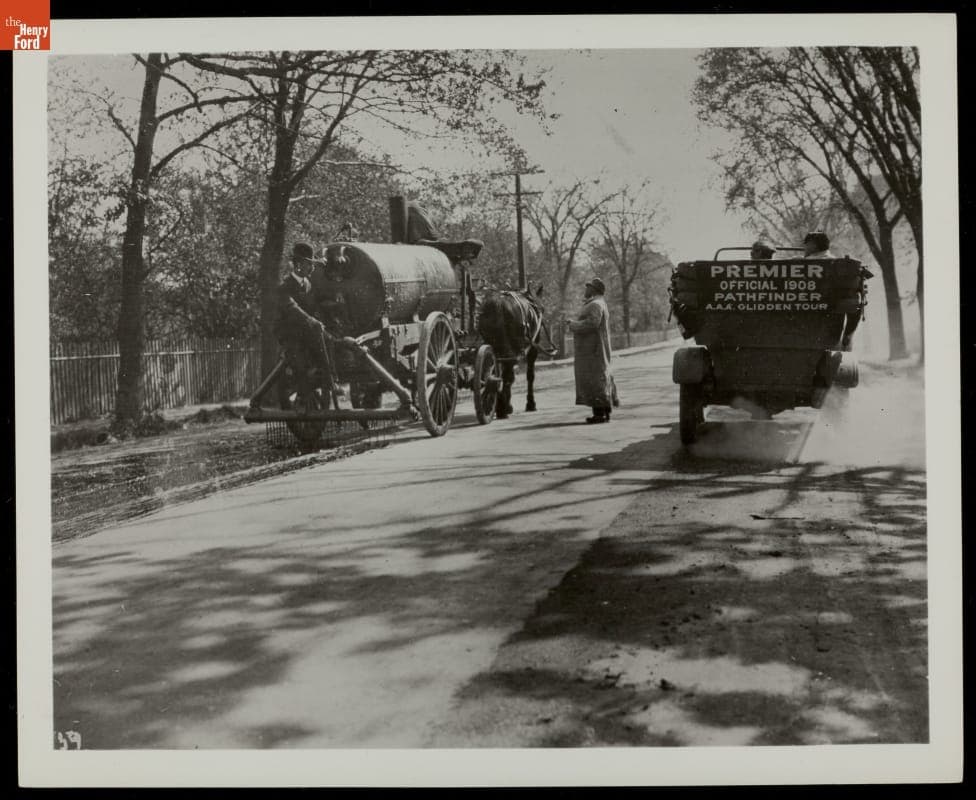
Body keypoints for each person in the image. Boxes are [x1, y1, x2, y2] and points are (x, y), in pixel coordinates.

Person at [275, 242, 337, 395]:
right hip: (291, 335)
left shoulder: (308, 284)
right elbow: (292, 308)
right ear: (298, 265)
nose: (313, 268)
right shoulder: (285, 287)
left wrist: (336, 300)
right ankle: (322, 383)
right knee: (300, 362)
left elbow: (318, 301)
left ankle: (330, 379)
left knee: (329, 338)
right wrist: (311, 321)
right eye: (309, 264)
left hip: (308, 333)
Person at [567, 277, 616, 424]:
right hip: (594, 349)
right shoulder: (598, 303)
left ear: (594, 290)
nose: (586, 289)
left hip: (593, 350)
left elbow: (592, 323)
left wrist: (573, 325)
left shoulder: (595, 304)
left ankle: (599, 414)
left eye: (588, 287)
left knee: (595, 379)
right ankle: (605, 411)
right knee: (600, 377)